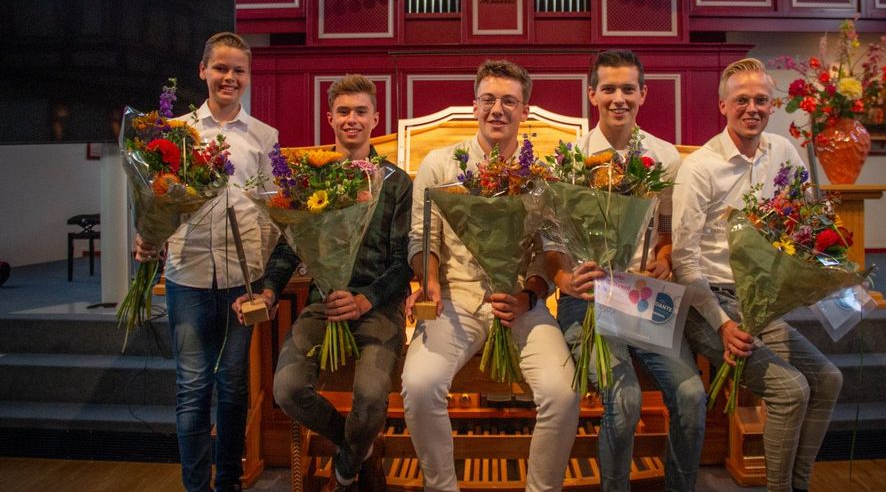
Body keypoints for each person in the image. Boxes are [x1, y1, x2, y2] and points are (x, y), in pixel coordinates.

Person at [401, 59, 579, 492]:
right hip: (456, 300)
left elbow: (549, 248)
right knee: (420, 385)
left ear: (525, 111)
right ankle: (441, 486)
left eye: (509, 101)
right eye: (489, 99)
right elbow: (422, 236)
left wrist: (529, 295)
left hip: (521, 305)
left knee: (563, 392)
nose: (497, 109)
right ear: (474, 105)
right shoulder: (442, 164)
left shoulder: (541, 174)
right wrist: (430, 282)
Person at [672, 58, 843, 492]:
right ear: (723, 106)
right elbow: (684, 260)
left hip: (761, 302)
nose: (752, 108)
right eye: (742, 100)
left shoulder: (783, 152)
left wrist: (827, 273)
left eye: (761, 100)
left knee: (827, 379)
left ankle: (798, 484)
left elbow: (803, 225)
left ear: (773, 105)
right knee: (791, 391)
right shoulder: (700, 168)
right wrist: (723, 325)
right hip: (709, 303)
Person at [237, 75, 413, 492]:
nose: (352, 120)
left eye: (361, 111)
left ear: (376, 118)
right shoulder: (310, 178)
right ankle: (358, 452)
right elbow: (289, 246)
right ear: (330, 117)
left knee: (371, 400)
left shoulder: (396, 182)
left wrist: (366, 300)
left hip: (378, 308)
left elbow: (405, 261)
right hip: (323, 305)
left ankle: (346, 467)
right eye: (343, 112)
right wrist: (268, 289)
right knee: (287, 389)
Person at [552, 49, 705, 492]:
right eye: (609, 89)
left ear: (643, 93)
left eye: (628, 89)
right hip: (588, 301)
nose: (618, 98)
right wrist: (565, 278)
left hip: (642, 298)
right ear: (591, 94)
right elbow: (551, 238)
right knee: (626, 400)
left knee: (693, 396)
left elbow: (669, 230)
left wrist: (666, 256)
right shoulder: (571, 158)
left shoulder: (665, 158)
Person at [134, 32, 279, 492]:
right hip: (190, 274)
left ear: (248, 77)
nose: (229, 78)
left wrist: (269, 265)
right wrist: (148, 235)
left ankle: (229, 482)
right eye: (221, 68)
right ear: (203, 71)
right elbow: (156, 197)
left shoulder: (264, 137)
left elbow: (274, 210)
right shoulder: (177, 134)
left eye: (238, 70)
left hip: (243, 278)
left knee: (234, 388)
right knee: (193, 390)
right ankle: (197, 486)